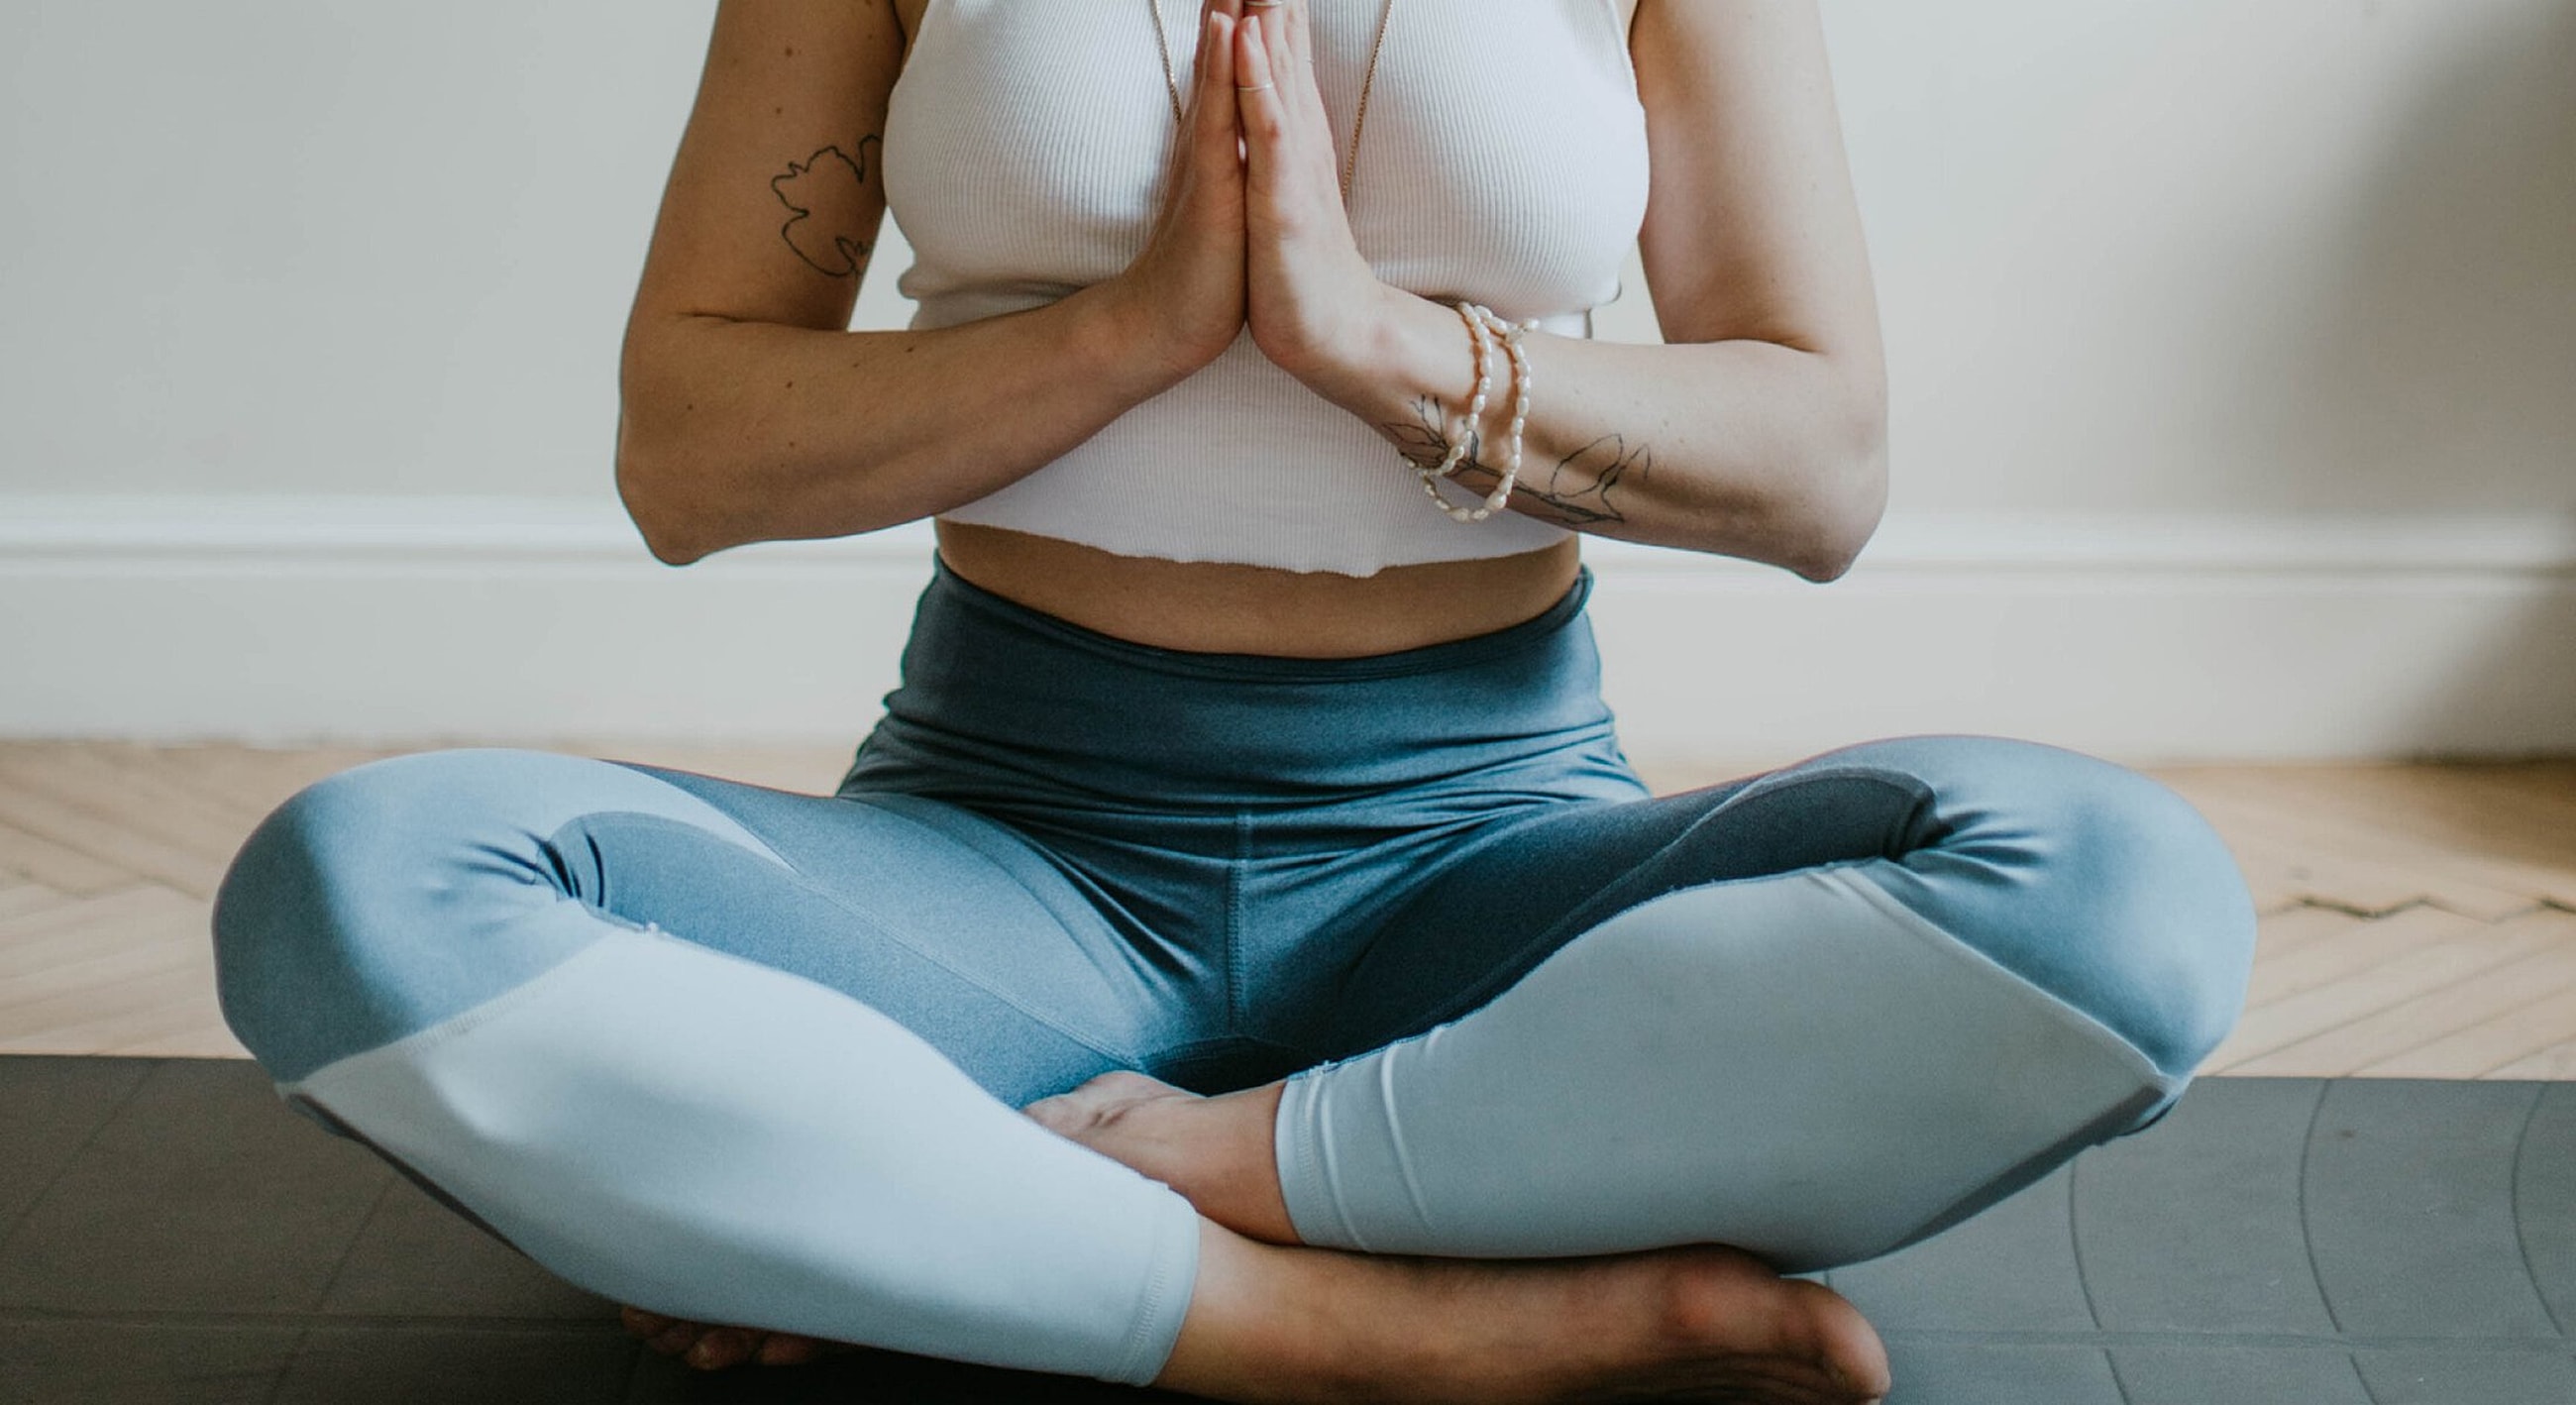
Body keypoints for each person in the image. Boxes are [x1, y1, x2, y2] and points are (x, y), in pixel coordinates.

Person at [209, 2, 2259, 1401]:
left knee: (2123, 899)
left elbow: (1820, 462)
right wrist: (1129, 334)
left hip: (1498, 895)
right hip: (996, 873)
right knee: (359, 886)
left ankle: (1014, 1205)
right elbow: (691, 444)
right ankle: (1374, 1330)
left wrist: (1379, 349)